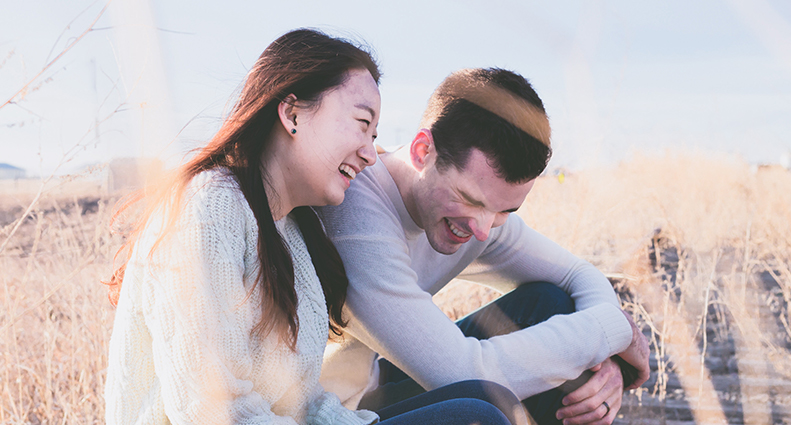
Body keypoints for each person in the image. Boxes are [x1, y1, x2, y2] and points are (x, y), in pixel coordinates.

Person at [103, 30, 524, 425]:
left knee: (489, 399)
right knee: (476, 416)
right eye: (362, 124)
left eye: (375, 134)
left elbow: (303, 402)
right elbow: (211, 411)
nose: (370, 154)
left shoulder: (289, 231)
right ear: (292, 113)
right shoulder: (210, 208)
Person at [315, 68, 651, 425]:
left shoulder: (478, 217)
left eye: (505, 210)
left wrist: (604, 362)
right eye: (469, 199)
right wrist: (611, 332)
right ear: (422, 151)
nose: (482, 229)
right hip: (328, 411)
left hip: (373, 386)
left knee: (552, 303)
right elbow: (462, 373)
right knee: (481, 412)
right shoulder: (355, 211)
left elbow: (577, 273)